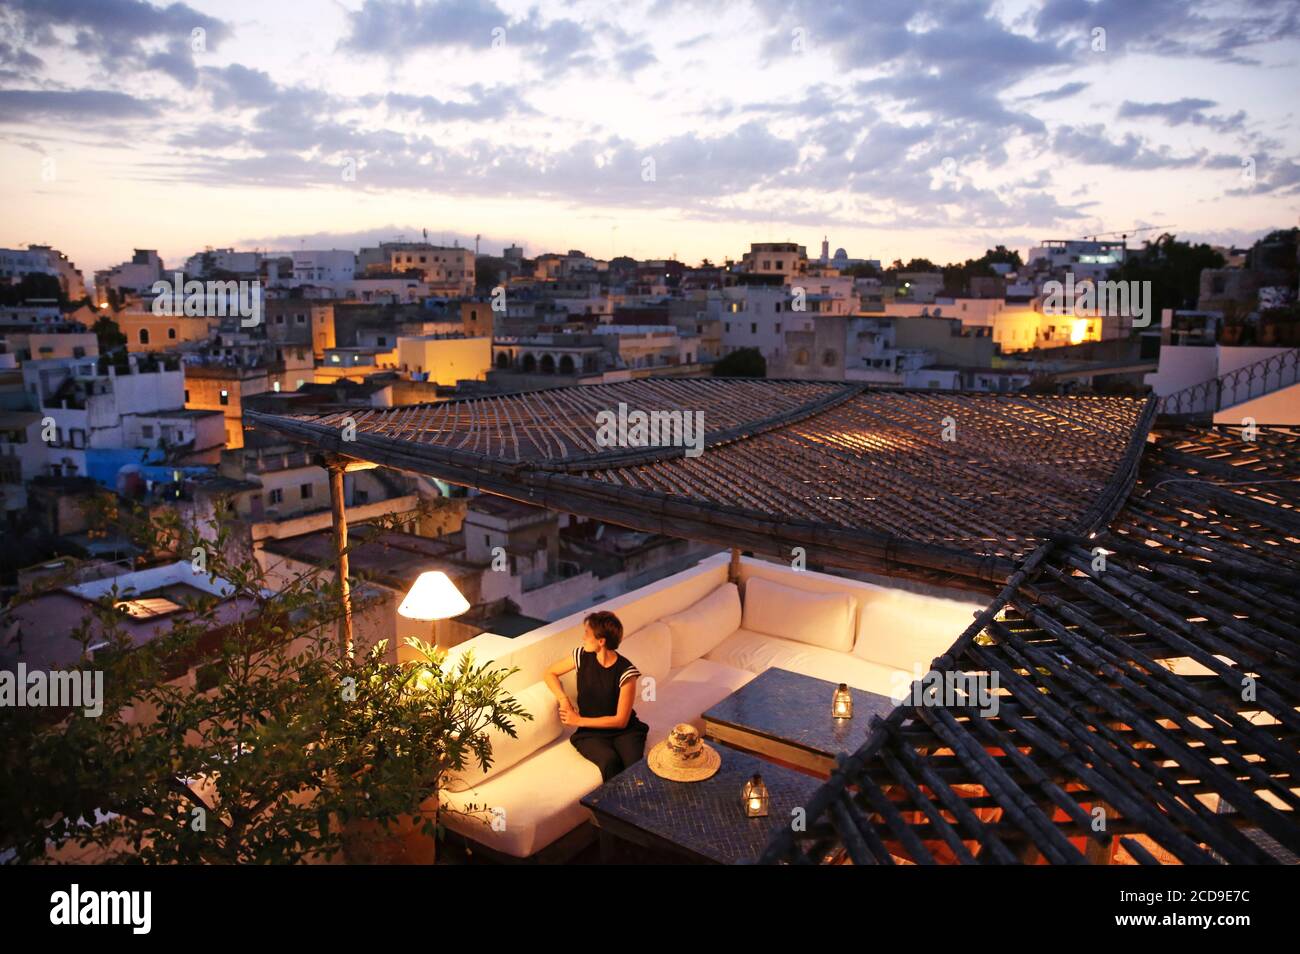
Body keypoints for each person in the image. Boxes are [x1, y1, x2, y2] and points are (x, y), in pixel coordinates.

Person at [544, 610, 647, 781]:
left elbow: (621, 721)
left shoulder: (626, 672)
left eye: (587, 633)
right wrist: (563, 699)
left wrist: (578, 721)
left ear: (601, 641)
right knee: (610, 761)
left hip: (624, 731)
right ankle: (610, 807)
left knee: (634, 770)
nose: (583, 638)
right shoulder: (581, 656)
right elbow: (550, 673)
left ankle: (640, 805)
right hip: (590, 733)